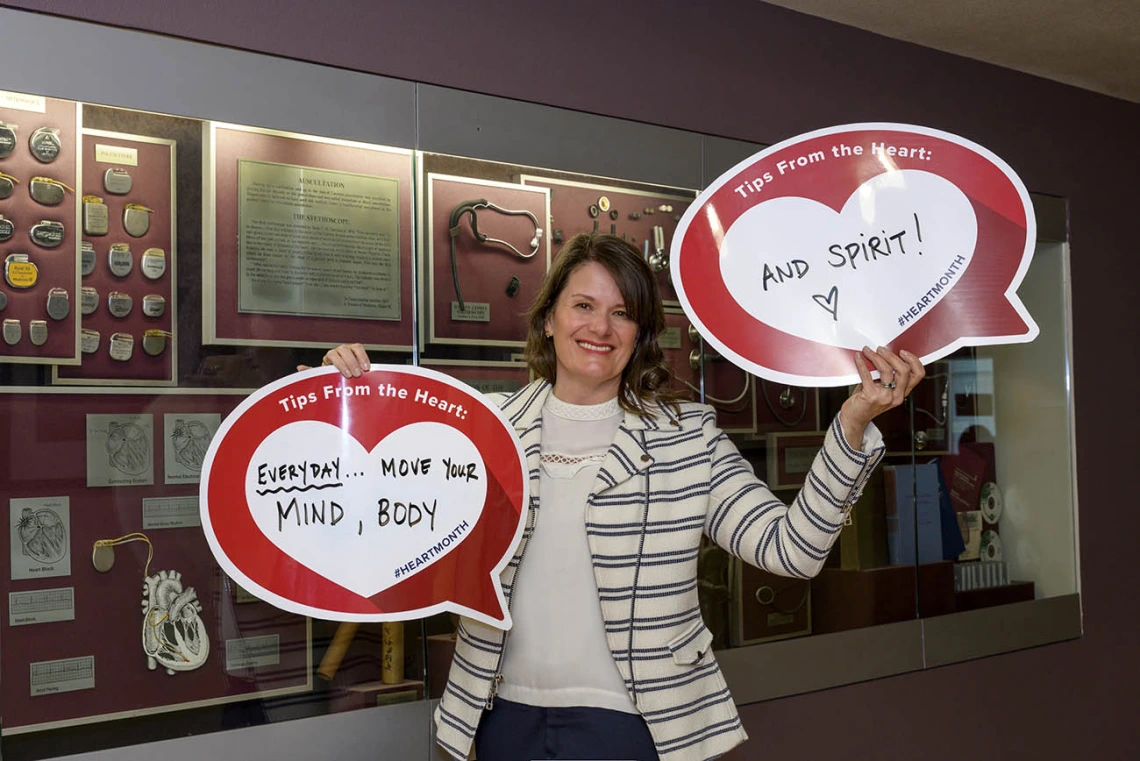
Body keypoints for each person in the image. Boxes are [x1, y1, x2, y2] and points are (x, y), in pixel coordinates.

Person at [319, 233, 924, 761]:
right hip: (501, 721)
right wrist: (337, 405)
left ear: (640, 335)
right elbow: (375, 522)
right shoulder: (483, 432)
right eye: (583, 305)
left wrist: (850, 425)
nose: (600, 328)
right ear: (548, 318)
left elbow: (792, 550)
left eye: (622, 313)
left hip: (638, 728)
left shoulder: (688, 437)